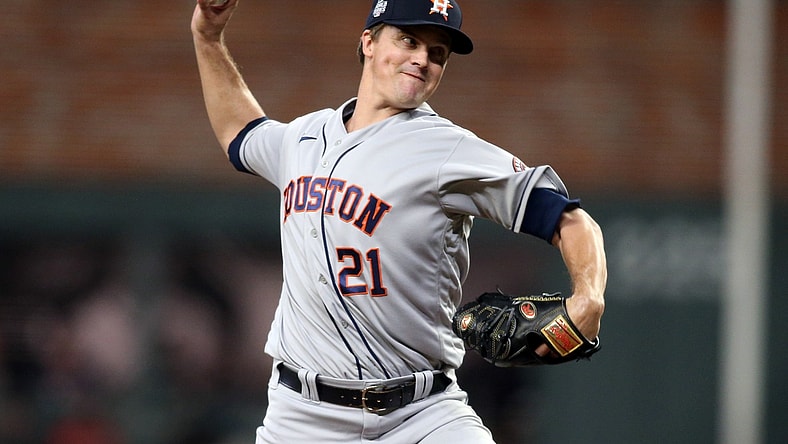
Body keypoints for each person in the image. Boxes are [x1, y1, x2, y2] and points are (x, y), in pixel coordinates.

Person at [191, 0, 607, 442]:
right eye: (408, 40)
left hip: (420, 413)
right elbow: (240, 132)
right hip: (302, 418)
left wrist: (589, 297)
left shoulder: (448, 149)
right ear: (368, 42)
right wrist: (207, 37)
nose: (421, 59)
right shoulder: (303, 139)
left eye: (437, 52)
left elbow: (570, 219)